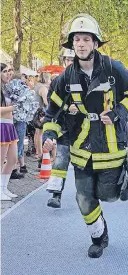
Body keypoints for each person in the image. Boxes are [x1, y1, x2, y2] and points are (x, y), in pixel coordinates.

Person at [43, 14, 128, 258]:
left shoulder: (113, 68)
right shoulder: (66, 77)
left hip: (111, 145)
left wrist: (120, 111)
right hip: (82, 147)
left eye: (86, 39)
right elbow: (52, 112)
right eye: (76, 39)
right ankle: (99, 237)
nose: (80, 43)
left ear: (95, 43)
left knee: (109, 195)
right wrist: (49, 134)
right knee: (84, 198)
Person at [46, 48, 75, 208]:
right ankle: (56, 195)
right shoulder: (57, 81)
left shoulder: (88, 79)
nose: (70, 63)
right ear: (64, 61)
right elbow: (52, 104)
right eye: (68, 60)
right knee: (61, 160)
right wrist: (66, 108)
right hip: (64, 128)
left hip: (84, 130)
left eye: (73, 60)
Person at [0, 63, 19, 201]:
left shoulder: (8, 88)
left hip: (10, 126)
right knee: (0, 161)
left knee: (13, 159)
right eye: (4, 71)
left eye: (9, 71)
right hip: (1, 126)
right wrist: (14, 107)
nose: (8, 73)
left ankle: (4, 187)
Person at [33, 72, 51, 167]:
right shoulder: (43, 88)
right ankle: (40, 153)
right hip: (41, 113)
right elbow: (46, 102)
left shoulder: (37, 86)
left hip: (36, 111)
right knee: (40, 134)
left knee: (37, 133)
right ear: (47, 79)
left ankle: (37, 152)